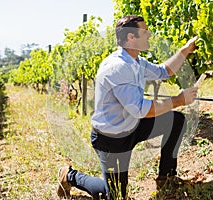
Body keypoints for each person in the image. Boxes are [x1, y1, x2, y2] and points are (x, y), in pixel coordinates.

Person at [57, 15, 198, 200]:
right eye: (144, 31)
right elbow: (140, 109)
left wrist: (185, 50)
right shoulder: (118, 67)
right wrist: (178, 100)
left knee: (176, 120)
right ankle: (70, 176)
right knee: (114, 196)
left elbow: (164, 72)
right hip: (111, 139)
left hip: (132, 126)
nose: (149, 35)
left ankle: (167, 176)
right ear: (131, 37)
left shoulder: (136, 61)